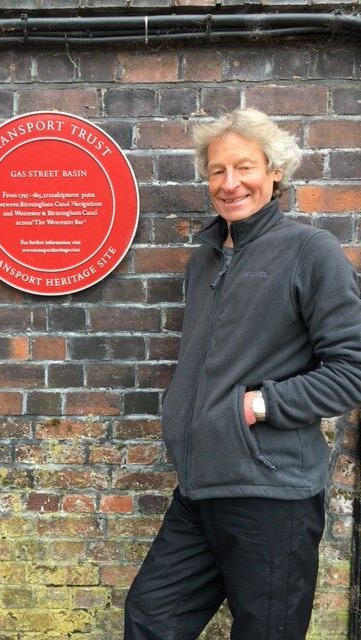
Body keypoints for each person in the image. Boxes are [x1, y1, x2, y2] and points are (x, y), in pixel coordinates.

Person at [124, 108, 361, 640]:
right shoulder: (204, 261)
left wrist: (258, 406)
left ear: (274, 172)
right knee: (151, 617)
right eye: (217, 171)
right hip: (199, 488)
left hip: (272, 495)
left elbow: (352, 370)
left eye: (244, 167)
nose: (230, 184)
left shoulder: (310, 252)